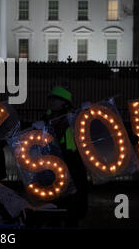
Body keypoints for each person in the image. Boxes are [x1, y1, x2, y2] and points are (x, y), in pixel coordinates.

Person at [42, 85, 88, 227]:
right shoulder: (47, 117)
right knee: (56, 193)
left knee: (74, 194)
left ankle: (72, 219)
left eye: (55, 99)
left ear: (64, 102)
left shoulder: (75, 116)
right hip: (55, 159)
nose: (51, 102)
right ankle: (55, 218)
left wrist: (89, 112)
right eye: (50, 99)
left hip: (73, 160)